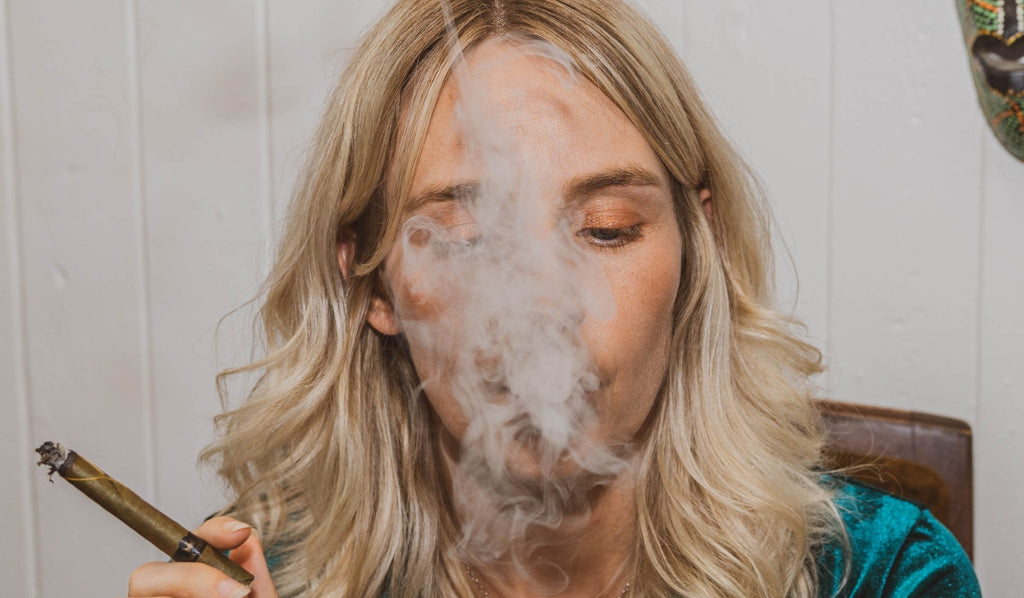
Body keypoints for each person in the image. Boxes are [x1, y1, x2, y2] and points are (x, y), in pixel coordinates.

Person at [125, 1, 981, 597]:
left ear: (698, 249)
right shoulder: (266, 578)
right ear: (371, 284)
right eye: (461, 238)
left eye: (606, 228)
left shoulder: (878, 575)